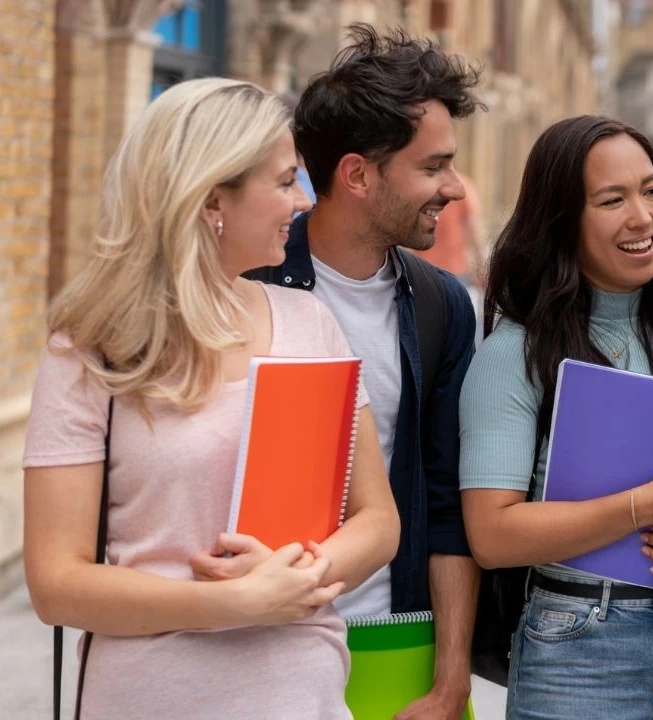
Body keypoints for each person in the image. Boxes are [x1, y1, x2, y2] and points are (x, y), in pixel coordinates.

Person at [22, 77, 400, 718]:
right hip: (150, 698)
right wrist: (235, 603)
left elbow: (378, 521)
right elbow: (56, 585)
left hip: (300, 694)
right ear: (211, 200)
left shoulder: (311, 324)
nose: (304, 201)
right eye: (285, 181)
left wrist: (299, 573)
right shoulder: (91, 348)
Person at [459, 116, 653, 719]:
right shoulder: (515, 355)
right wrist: (643, 506)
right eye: (611, 200)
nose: (643, 217)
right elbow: (491, 536)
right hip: (579, 649)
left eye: (651, 190)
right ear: (561, 219)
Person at [248, 24, 483, 719]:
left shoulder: (442, 305)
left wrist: (450, 681)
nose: (455, 186)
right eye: (434, 166)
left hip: (390, 643)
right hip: (253, 642)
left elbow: (447, 508)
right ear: (357, 174)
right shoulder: (244, 283)